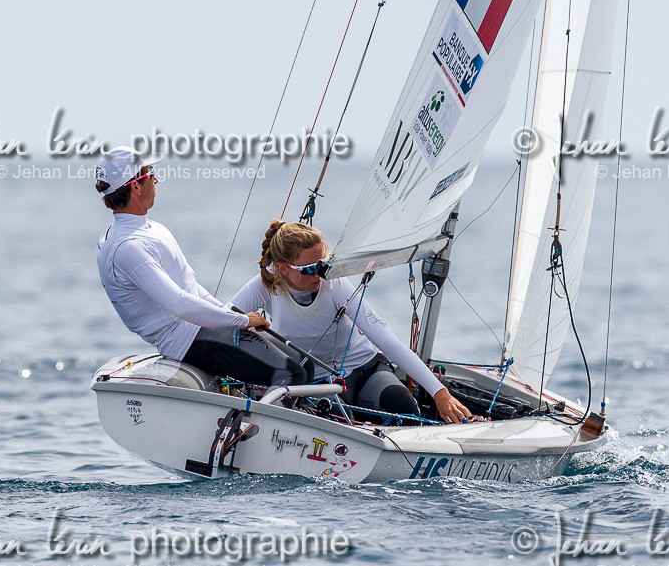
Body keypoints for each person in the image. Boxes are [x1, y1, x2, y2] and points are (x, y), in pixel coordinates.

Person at [229, 220, 482, 425]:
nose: (319, 274)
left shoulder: (335, 284)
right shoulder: (265, 285)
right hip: (320, 384)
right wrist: (244, 320)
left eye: (323, 265)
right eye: (309, 269)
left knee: (402, 405)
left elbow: (386, 340)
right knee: (342, 424)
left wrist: (440, 393)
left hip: (366, 367)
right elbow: (218, 320)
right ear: (284, 269)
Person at [94, 146, 307, 388]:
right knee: (292, 375)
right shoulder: (128, 247)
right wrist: (241, 321)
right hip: (186, 340)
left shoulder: (147, 230)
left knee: (303, 363)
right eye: (151, 173)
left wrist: (232, 316)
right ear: (135, 186)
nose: (156, 179)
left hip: (202, 327)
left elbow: (190, 288)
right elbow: (180, 304)